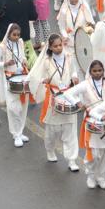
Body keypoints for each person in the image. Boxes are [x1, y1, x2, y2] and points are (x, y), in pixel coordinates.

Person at [29, 34, 81, 171]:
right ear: (50, 47)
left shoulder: (69, 56)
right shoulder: (46, 61)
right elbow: (41, 77)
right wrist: (44, 80)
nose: (59, 48)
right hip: (54, 96)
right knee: (52, 131)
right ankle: (50, 150)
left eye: (60, 45)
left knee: (70, 130)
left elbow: (73, 71)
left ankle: (72, 160)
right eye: (55, 46)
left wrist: (75, 78)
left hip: (68, 95)